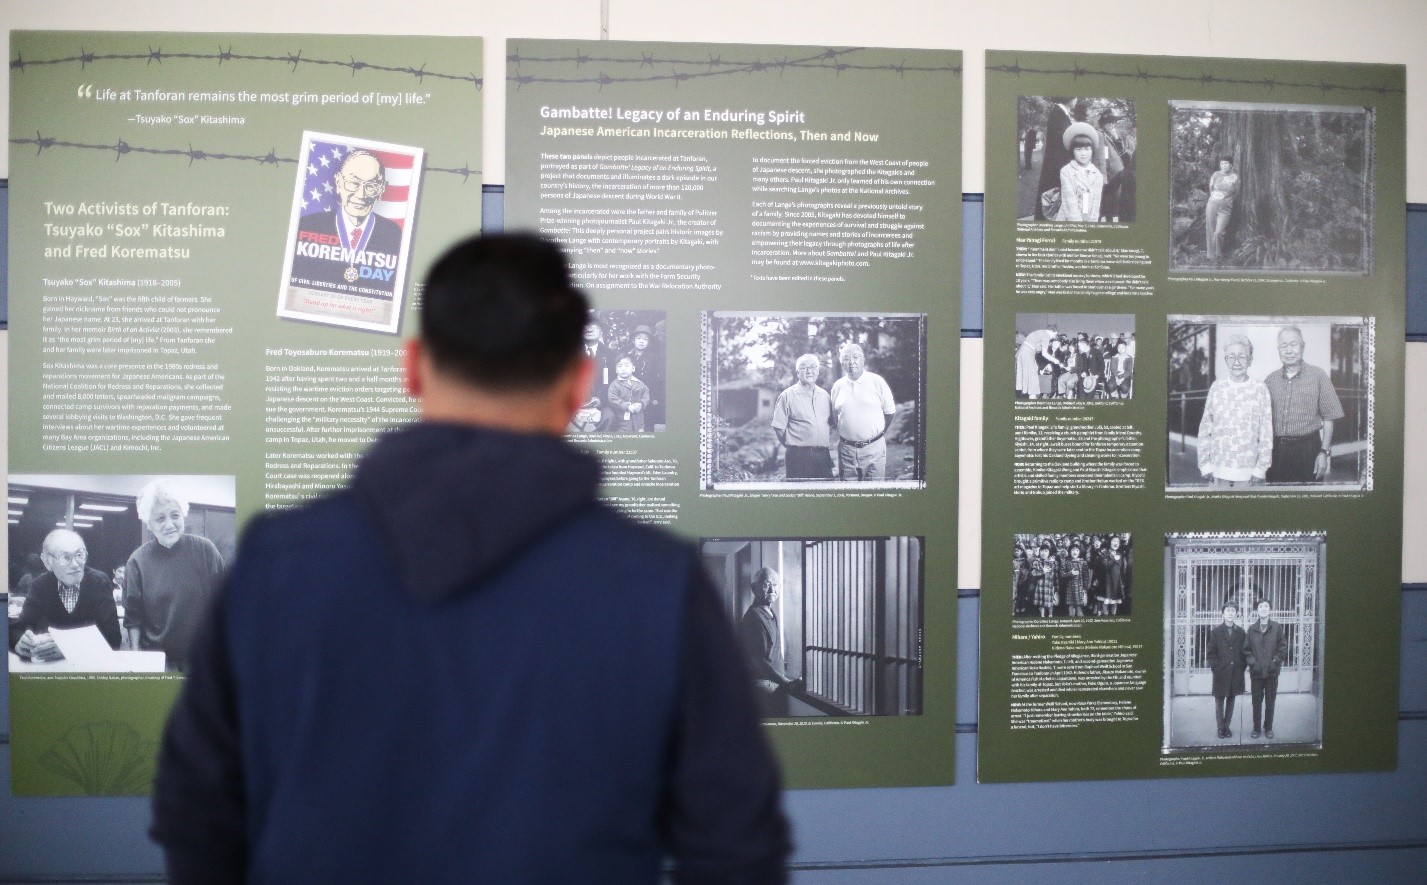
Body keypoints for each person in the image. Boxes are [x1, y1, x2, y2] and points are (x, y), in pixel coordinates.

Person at [151, 233, 789, 883]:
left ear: (411, 367)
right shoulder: (659, 584)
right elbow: (734, 846)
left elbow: (197, 811)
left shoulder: (274, 564)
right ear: (580, 384)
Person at [123, 480, 224, 673]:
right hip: (157, 661)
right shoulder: (137, 561)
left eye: (175, 515)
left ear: (183, 516)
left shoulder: (205, 551)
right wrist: (135, 661)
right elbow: (133, 618)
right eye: (160, 519)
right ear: (149, 524)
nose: (169, 524)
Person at [290, 150, 404, 291]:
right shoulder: (309, 225)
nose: (361, 194)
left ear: (381, 189)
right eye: (353, 183)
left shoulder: (393, 234)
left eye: (371, 186)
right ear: (338, 182)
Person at [9, 529, 122, 662]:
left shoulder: (99, 582)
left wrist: (67, 648)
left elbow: (113, 638)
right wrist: (20, 642)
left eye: (79, 555)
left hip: (89, 667)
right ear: (48, 562)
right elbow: (17, 628)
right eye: (66, 557)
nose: (75, 564)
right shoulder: (41, 585)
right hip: (52, 670)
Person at [1264, 326, 1345, 484]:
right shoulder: (1270, 380)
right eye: (1283, 346)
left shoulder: (1318, 376)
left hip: (1309, 451)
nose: (1289, 350)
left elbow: (1329, 417)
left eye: (1293, 344)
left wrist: (1324, 452)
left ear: (1303, 346)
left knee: (1309, 503)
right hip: (1277, 454)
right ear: (1278, 350)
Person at [1196, 334, 1273, 487]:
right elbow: (1205, 428)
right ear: (1226, 360)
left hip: (1250, 474)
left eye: (1242, 357)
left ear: (1250, 360)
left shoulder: (1260, 389)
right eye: (1231, 357)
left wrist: (1260, 469)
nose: (1236, 362)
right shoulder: (1217, 387)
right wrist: (1205, 464)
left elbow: (1266, 431)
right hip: (1218, 471)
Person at [829, 342, 897, 481]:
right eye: (846, 358)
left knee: (874, 495)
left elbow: (889, 412)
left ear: (863, 359)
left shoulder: (877, 381)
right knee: (848, 495)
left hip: (874, 449)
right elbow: (836, 417)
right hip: (846, 451)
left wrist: (876, 435)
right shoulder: (837, 386)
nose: (851, 362)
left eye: (855, 357)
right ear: (842, 363)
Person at [739, 567, 798, 717]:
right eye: (766, 584)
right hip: (763, 687)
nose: (772, 589)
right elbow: (758, 660)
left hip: (775, 685)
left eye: (776, 584)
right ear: (754, 587)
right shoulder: (753, 618)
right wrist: (786, 682)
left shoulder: (771, 612)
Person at [771, 354, 834, 480]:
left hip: (823, 456)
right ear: (797, 372)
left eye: (813, 367)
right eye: (804, 367)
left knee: (826, 495)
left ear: (818, 370)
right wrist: (793, 446)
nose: (809, 371)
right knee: (799, 496)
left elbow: (830, 424)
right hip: (798, 457)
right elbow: (779, 428)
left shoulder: (825, 396)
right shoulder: (787, 396)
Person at [1245, 598, 1289, 740]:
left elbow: (1283, 647)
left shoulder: (1276, 627)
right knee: (1256, 702)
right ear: (1257, 610)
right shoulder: (1252, 629)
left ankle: (1268, 728)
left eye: (1266, 606)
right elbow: (1246, 650)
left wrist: (1275, 661)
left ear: (1270, 610)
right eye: (1260, 607)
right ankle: (1256, 729)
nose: (1263, 609)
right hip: (1256, 673)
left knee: (1270, 701)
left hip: (1272, 672)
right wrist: (1253, 663)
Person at [1206, 601, 1248, 739]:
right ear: (1223, 614)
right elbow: (1211, 653)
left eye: (1233, 611)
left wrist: (1241, 666)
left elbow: (1244, 652)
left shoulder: (1241, 632)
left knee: (1231, 699)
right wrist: (1216, 668)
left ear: (1236, 613)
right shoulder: (1216, 632)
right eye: (1228, 611)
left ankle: (1227, 726)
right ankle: (1220, 727)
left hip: (1235, 672)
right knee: (1219, 701)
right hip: (1221, 672)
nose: (1230, 613)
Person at [1034, 97, 1076, 221]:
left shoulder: (1061, 114)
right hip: (1057, 165)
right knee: (1052, 199)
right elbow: (1062, 143)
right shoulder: (1058, 114)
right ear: (1070, 98)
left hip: (1057, 163)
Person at [1056, 122, 1104, 222]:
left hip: (1089, 217)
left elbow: (1096, 202)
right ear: (1072, 151)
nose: (1083, 153)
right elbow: (1069, 200)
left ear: (1092, 150)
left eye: (1087, 149)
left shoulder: (1097, 174)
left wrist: (1092, 221)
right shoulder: (1066, 171)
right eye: (1078, 149)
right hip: (1069, 219)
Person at [622, 323, 665, 429]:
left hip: (648, 395)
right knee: (631, 423)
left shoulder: (653, 357)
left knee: (647, 423)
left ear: (649, 342)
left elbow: (656, 380)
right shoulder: (628, 356)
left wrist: (655, 397)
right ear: (633, 340)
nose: (641, 341)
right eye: (639, 338)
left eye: (645, 339)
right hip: (630, 395)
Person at [1205, 155, 1239, 262]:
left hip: (1225, 208)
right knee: (1210, 228)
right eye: (1222, 163)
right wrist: (1214, 197)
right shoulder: (1216, 174)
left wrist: (1226, 200)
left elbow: (1236, 193)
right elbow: (1210, 187)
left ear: (1231, 165)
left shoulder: (1235, 177)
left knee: (1219, 232)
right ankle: (1211, 255)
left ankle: (1218, 253)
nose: (1224, 166)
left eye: (1226, 163)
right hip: (1212, 204)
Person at [607, 355, 651, 432]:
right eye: (620, 366)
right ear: (616, 370)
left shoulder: (639, 383)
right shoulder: (614, 385)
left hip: (639, 422)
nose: (623, 369)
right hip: (622, 423)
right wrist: (627, 406)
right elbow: (613, 399)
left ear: (633, 368)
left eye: (626, 366)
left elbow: (646, 395)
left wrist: (641, 404)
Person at [1016, 323, 1059, 399]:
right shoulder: (1046, 334)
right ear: (1052, 330)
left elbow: (1033, 347)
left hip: (1022, 353)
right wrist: (1055, 360)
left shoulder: (1039, 332)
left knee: (1029, 380)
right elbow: (1044, 353)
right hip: (1027, 353)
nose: (1054, 336)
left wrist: (1034, 362)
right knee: (1033, 383)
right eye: (1055, 334)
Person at [1029, 543, 1058, 618]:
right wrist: (1043, 571)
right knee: (1041, 603)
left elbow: (1056, 576)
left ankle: (1050, 615)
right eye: (1042, 551)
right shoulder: (1036, 562)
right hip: (1040, 586)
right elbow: (1033, 573)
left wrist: (1057, 588)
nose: (1043, 553)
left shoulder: (1054, 563)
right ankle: (1042, 616)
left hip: (1050, 586)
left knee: (1050, 603)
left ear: (1049, 553)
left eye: (1046, 551)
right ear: (1039, 552)